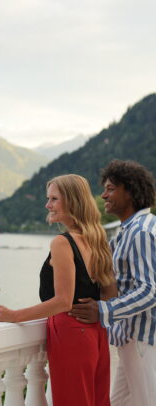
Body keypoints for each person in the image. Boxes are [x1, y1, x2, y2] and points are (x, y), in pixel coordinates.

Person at [0, 174, 117, 406]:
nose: (48, 205)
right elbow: (110, 295)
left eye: (54, 199)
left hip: (71, 334)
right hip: (96, 333)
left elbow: (63, 301)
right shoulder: (97, 239)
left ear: (72, 201)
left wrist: (14, 315)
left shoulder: (62, 242)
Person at [70, 160, 156, 406]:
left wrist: (103, 310)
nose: (103, 195)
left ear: (129, 191)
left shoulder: (140, 232)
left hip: (142, 339)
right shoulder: (129, 231)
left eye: (110, 189)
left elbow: (149, 290)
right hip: (130, 337)